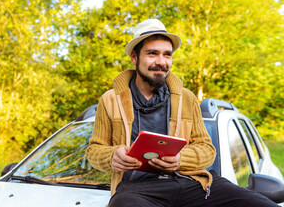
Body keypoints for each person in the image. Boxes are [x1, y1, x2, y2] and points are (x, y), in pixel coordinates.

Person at [85, 19, 278, 206]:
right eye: (152, 53)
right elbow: (93, 151)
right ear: (135, 57)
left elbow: (207, 151)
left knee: (258, 202)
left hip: (191, 183)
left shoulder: (187, 98)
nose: (161, 62)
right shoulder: (110, 99)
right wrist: (112, 156)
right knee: (123, 203)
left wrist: (180, 159)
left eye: (167, 55)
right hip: (138, 190)